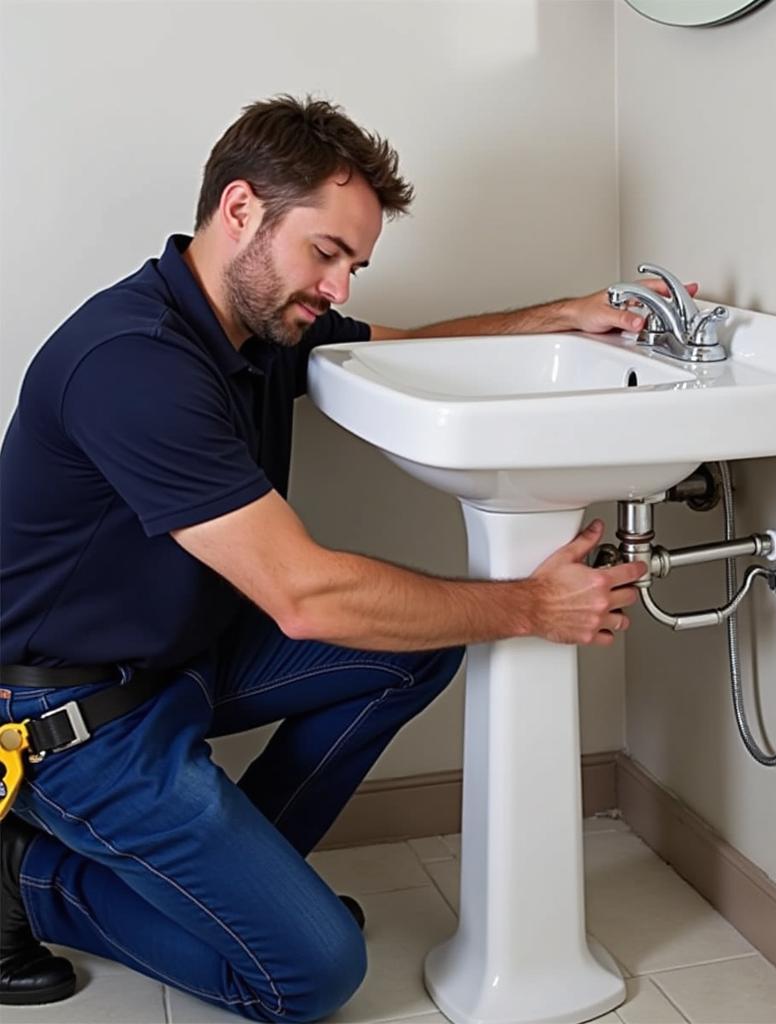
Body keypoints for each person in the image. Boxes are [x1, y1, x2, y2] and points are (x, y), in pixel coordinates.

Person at [0, 95, 692, 1020]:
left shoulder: (250, 327)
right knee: (309, 975)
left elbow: (406, 354)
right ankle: (28, 875)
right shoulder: (136, 362)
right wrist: (531, 606)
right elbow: (304, 597)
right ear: (239, 210)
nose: (340, 287)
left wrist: (560, 318)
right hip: (74, 717)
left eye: (355, 264)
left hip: (176, 663)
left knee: (412, 646)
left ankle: (250, 892)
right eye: (326, 253)